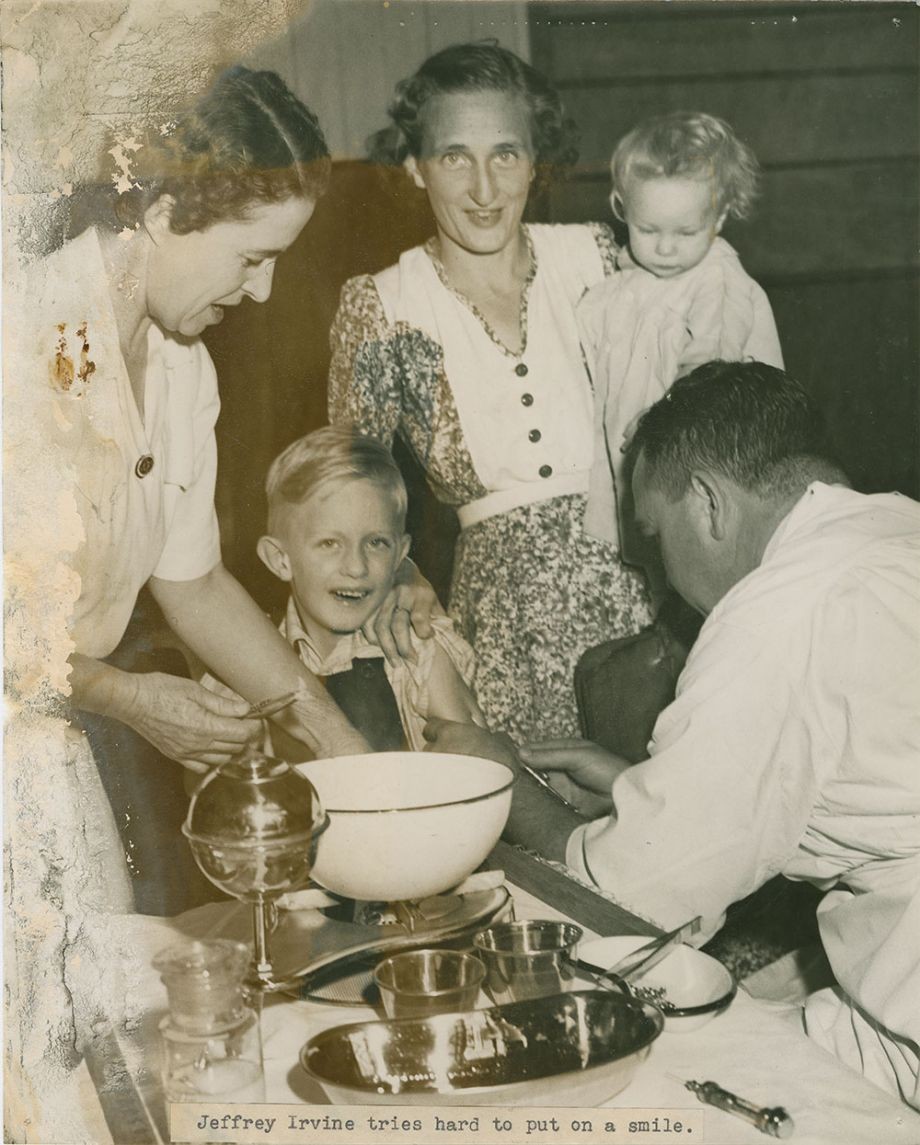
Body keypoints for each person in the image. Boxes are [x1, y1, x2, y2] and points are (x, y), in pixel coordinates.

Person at [3, 66, 430, 1140]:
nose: (265, 292)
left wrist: (337, 743)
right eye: (252, 254)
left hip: (46, 755)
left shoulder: (183, 366)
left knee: (91, 1072)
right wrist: (124, 693)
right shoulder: (23, 335)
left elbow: (188, 581)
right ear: (155, 210)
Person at [426, 361, 920, 1108]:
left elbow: (634, 901)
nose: (662, 578)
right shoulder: (893, 528)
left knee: (633, 1083)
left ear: (709, 504)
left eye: (656, 539)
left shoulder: (778, 611)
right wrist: (636, 786)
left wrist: (505, 785)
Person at [328, 42, 652, 746]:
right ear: (415, 167)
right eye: (454, 157)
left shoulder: (600, 255)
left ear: (535, 162)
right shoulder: (381, 305)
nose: (484, 188)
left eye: (506, 154)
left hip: (640, 596)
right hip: (502, 625)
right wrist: (401, 572)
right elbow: (348, 491)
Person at [203, 426, 482, 753]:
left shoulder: (416, 649)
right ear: (280, 560)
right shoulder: (241, 658)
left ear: (400, 556)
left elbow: (470, 767)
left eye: (376, 543)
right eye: (330, 543)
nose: (356, 567)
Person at [578, 112, 784, 543]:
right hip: (630, 473)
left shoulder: (717, 280)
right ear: (622, 208)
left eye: (686, 232)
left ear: (720, 217)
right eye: (648, 229)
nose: (666, 248)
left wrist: (662, 416)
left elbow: (711, 368)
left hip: (701, 458)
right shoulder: (620, 289)